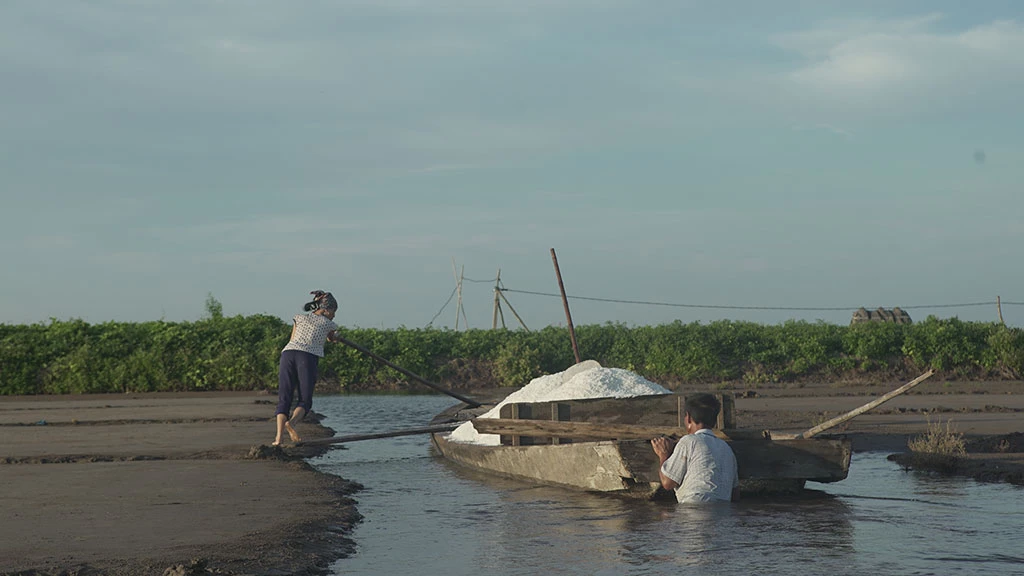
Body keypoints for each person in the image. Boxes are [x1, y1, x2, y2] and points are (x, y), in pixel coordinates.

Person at [273, 290, 340, 446]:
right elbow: (331, 338)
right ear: (326, 310)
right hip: (307, 357)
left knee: (284, 398)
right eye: (333, 312)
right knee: (305, 399)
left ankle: (278, 439)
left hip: (287, 354)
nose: (334, 316)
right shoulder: (329, 324)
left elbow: (292, 339)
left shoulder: (299, 318)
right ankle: (292, 423)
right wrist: (336, 337)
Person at [650, 393, 739, 503]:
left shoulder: (689, 441)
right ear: (714, 421)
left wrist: (663, 454)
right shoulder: (727, 449)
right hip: (723, 513)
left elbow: (667, 483)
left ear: (688, 418)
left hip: (694, 508)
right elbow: (735, 495)